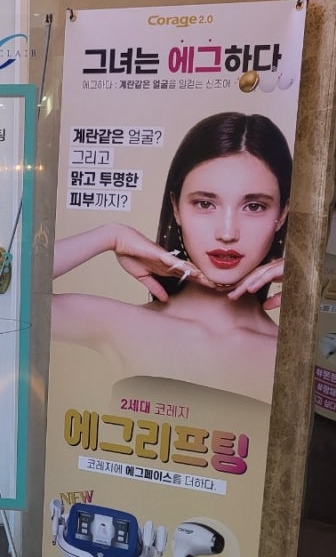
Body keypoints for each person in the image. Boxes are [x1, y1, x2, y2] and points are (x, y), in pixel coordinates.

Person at [51, 111, 292, 403]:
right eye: (205, 203)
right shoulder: (123, 324)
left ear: (282, 215)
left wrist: (308, 284)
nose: (227, 233)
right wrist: (110, 236)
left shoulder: (291, 354)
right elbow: (8, 297)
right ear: (176, 208)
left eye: (254, 206)